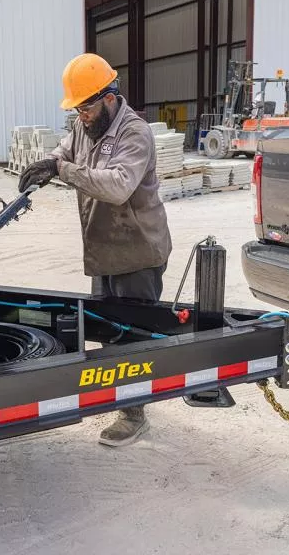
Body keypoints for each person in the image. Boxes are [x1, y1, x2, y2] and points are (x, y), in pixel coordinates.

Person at [18, 53, 172, 447]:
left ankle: (134, 415)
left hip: (137, 251)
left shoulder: (134, 133)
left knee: (134, 335)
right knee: (108, 328)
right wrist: (47, 163)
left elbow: (119, 186)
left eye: (85, 107)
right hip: (104, 248)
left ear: (108, 97)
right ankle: (123, 394)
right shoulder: (85, 126)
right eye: (77, 109)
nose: (80, 116)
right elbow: (64, 153)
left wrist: (63, 172)